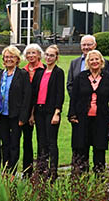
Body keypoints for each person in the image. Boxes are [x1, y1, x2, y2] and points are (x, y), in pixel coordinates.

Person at [68, 50, 109, 173]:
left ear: (101, 61)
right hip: (82, 118)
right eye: (91, 59)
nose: (94, 62)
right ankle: (81, 179)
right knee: (81, 148)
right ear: (88, 62)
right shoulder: (81, 77)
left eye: (97, 59)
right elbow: (74, 97)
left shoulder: (108, 77)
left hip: (101, 119)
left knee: (99, 149)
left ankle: (98, 179)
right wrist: (72, 115)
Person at [0, 46, 31, 170]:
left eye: (11, 57)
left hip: (15, 115)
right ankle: (5, 168)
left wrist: (23, 117)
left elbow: (26, 97)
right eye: (6, 57)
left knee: (14, 144)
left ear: (17, 59)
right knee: (4, 143)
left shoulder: (23, 74)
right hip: (1, 115)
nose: (9, 59)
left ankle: (12, 169)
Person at [30, 45, 64, 179]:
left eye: (52, 55)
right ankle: (41, 169)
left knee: (51, 141)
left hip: (51, 111)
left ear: (56, 57)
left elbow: (59, 94)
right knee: (41, 140)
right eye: (47, 55)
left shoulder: (58, 72)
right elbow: (34, 94)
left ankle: (53, 170)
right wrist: (32, 113)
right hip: (39, 111)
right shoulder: (40, 72)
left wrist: (57, 112)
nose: (49, 58)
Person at [22, 43, 45, 176]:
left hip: (40, 110)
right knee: (27, 141)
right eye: (28, 53)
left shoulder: (44, 71)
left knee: (42, 140)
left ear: (39, 55)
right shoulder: (22, 71)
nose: (31, 55)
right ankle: (27, 169)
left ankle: (41, 168)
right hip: (25, 110)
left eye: (33, 53)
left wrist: (33, 113)